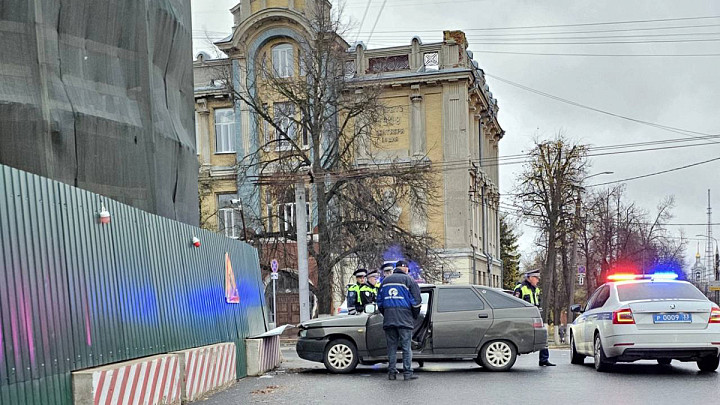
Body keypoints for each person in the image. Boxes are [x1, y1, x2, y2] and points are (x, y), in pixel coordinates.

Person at [377, 260, 422, 380]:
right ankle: (407, 373)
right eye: (407, 268)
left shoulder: (385, 281)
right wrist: (413, 315)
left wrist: (386, 313)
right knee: (406, 347)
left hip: (389, 319)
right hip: (404, 319)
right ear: (404, 268)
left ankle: (392, 372)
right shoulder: (409, 281)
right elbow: (416, 302)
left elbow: (380, 302)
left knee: (391, 347)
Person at [514, 269, 555, 367]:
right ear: (530, 278)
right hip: (524, 319)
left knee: (543, 336)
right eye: (536, 278)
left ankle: (544, 359)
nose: (538, 280)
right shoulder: (520, 288)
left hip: (535, 317)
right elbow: (516, 304)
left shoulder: (536, 289)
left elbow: (538, 303)